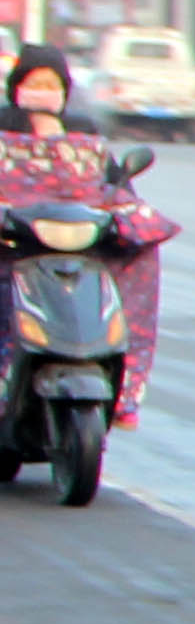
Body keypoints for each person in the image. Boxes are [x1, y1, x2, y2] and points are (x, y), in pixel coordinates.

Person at [0, 45, 173, 419]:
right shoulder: (3, 125)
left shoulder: (81, 130)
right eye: (34, 83)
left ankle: (123, 390)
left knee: (138, 248)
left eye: (51, 84)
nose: (42, 92)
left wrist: (124, 205)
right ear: (17, 87)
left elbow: (108, 181)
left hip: (76, 239)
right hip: (15, 240)